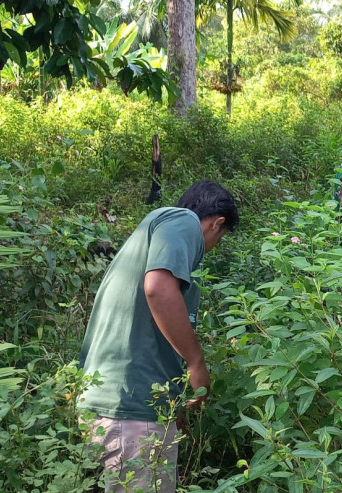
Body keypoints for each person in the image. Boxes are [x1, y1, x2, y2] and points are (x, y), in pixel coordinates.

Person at [78, 180, 239, 492]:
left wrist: (171, 405)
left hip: (111, 404)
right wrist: (196, 362)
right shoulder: (183, 221)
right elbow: (158, 289)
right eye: (220, 237)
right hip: (131, 411)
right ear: (216, 224)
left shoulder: (152, 232)